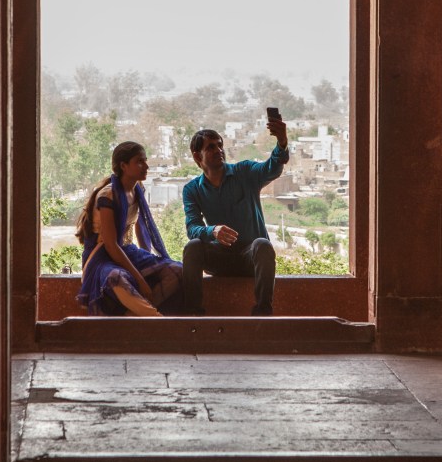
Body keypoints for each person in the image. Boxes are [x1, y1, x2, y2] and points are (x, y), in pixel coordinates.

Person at [182, 114, 289, 315]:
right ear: (197, 156)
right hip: (220, 260)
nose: (218, 150)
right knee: (193, 247)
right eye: (211, 147)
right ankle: (193, 315)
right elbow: (192, 228)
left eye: (219, 145)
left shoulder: (244, 172)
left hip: (250, 258)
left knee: (263, 245)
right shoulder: (192, 189)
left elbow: (271, 168)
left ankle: (262, 314)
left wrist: (282, 142)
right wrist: (213, 231)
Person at [76, 141, 183, 316]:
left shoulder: (138, 189)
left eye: (145, 160)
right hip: (102, 257)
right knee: (117, 278)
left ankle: (133, 315)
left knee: (178, 271)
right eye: (139, 161)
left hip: (127, 251)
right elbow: (110, 245)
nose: (146, 166)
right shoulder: (108, 196)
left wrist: (147, 260)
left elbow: (140, 228)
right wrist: (140, 280)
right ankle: (157, 319)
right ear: (123, 166)